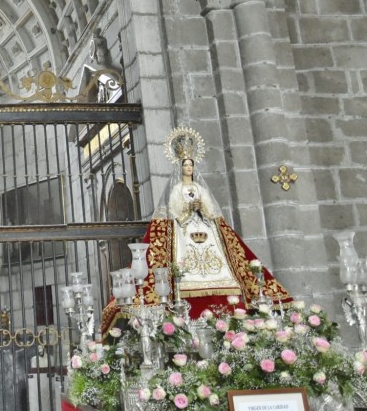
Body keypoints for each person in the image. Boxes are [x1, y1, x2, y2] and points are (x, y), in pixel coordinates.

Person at [101, 127, 290, 331]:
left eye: (191, 165)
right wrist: (187, 210)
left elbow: (211, 209)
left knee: (220, 261)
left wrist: (202, 208)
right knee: (184, 263)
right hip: (185, 231)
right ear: (180, 167)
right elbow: (174, 209)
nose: (189, 168)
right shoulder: (176, 189)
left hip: (205, 229)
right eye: (186, 165)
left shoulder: (200, 189)